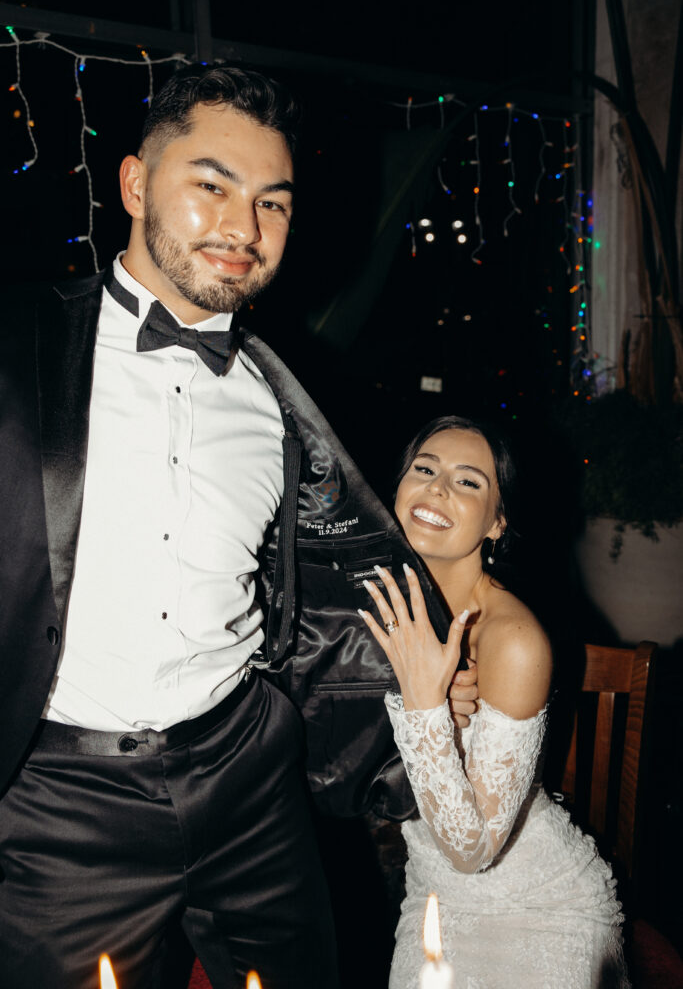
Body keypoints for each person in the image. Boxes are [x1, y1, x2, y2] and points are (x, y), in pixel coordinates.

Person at [0, 67, 479, 989]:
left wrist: (422, 691)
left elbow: (325, 593)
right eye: (210, 186)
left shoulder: (284, 397)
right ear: (136, 185)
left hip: (248, 776)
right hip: (63, 802)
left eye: (273, 204)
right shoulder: (18, 347)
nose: (242, 230)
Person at [359, 416, 629, 989]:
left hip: (537, 906)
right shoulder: (379, 598)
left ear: (497, 523)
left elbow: (471, 850)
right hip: (432, 895)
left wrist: (425, 705)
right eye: (425, 470)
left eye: (468, 482)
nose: (437, 489)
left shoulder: (515, 640)